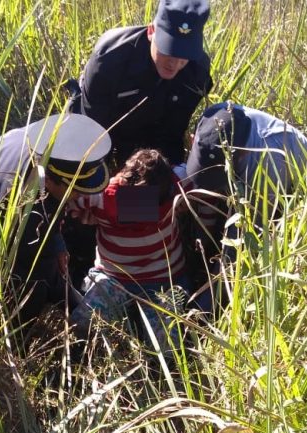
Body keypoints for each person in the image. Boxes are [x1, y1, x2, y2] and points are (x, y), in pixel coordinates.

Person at [65, 0, 213, 287]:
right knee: (87, 195)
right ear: (151, 32)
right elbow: (91, 139)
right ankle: (83, 265)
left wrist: (153, 198)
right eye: (169, 50)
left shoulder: (195, 71)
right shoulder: (110, 60)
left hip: (155, 137)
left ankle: (148, 263)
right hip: (99, 130)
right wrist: (106, 196)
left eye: (185, 54)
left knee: (157, 198)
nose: (175, 62)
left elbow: (171, 136)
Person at [0, 113, 112, 327]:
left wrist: (57, 241)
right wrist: (83, 313)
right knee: (32, 290)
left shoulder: (34, 139)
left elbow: (117, 200)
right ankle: (18, 343)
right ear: (47, 179)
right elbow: (46, 275)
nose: (81, 196)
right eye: (76, 190)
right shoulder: (30, 216)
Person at [183, 101, 307, 314]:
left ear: (241, 154)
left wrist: (200, 310)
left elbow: (244, 240)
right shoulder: (213, 118)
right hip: (241, 170)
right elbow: (202, 187)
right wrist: (199, 245)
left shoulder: (270, 163)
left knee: (236, 251)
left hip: (287, 188)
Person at [67, 148, 190, 349]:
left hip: (148, 280)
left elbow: (68, 204)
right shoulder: (175, 184)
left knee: (82, 330)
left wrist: (83, 216)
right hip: (129, 279)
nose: (140, 211)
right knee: (167, 349)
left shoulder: (101, 196)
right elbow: (200, 172)